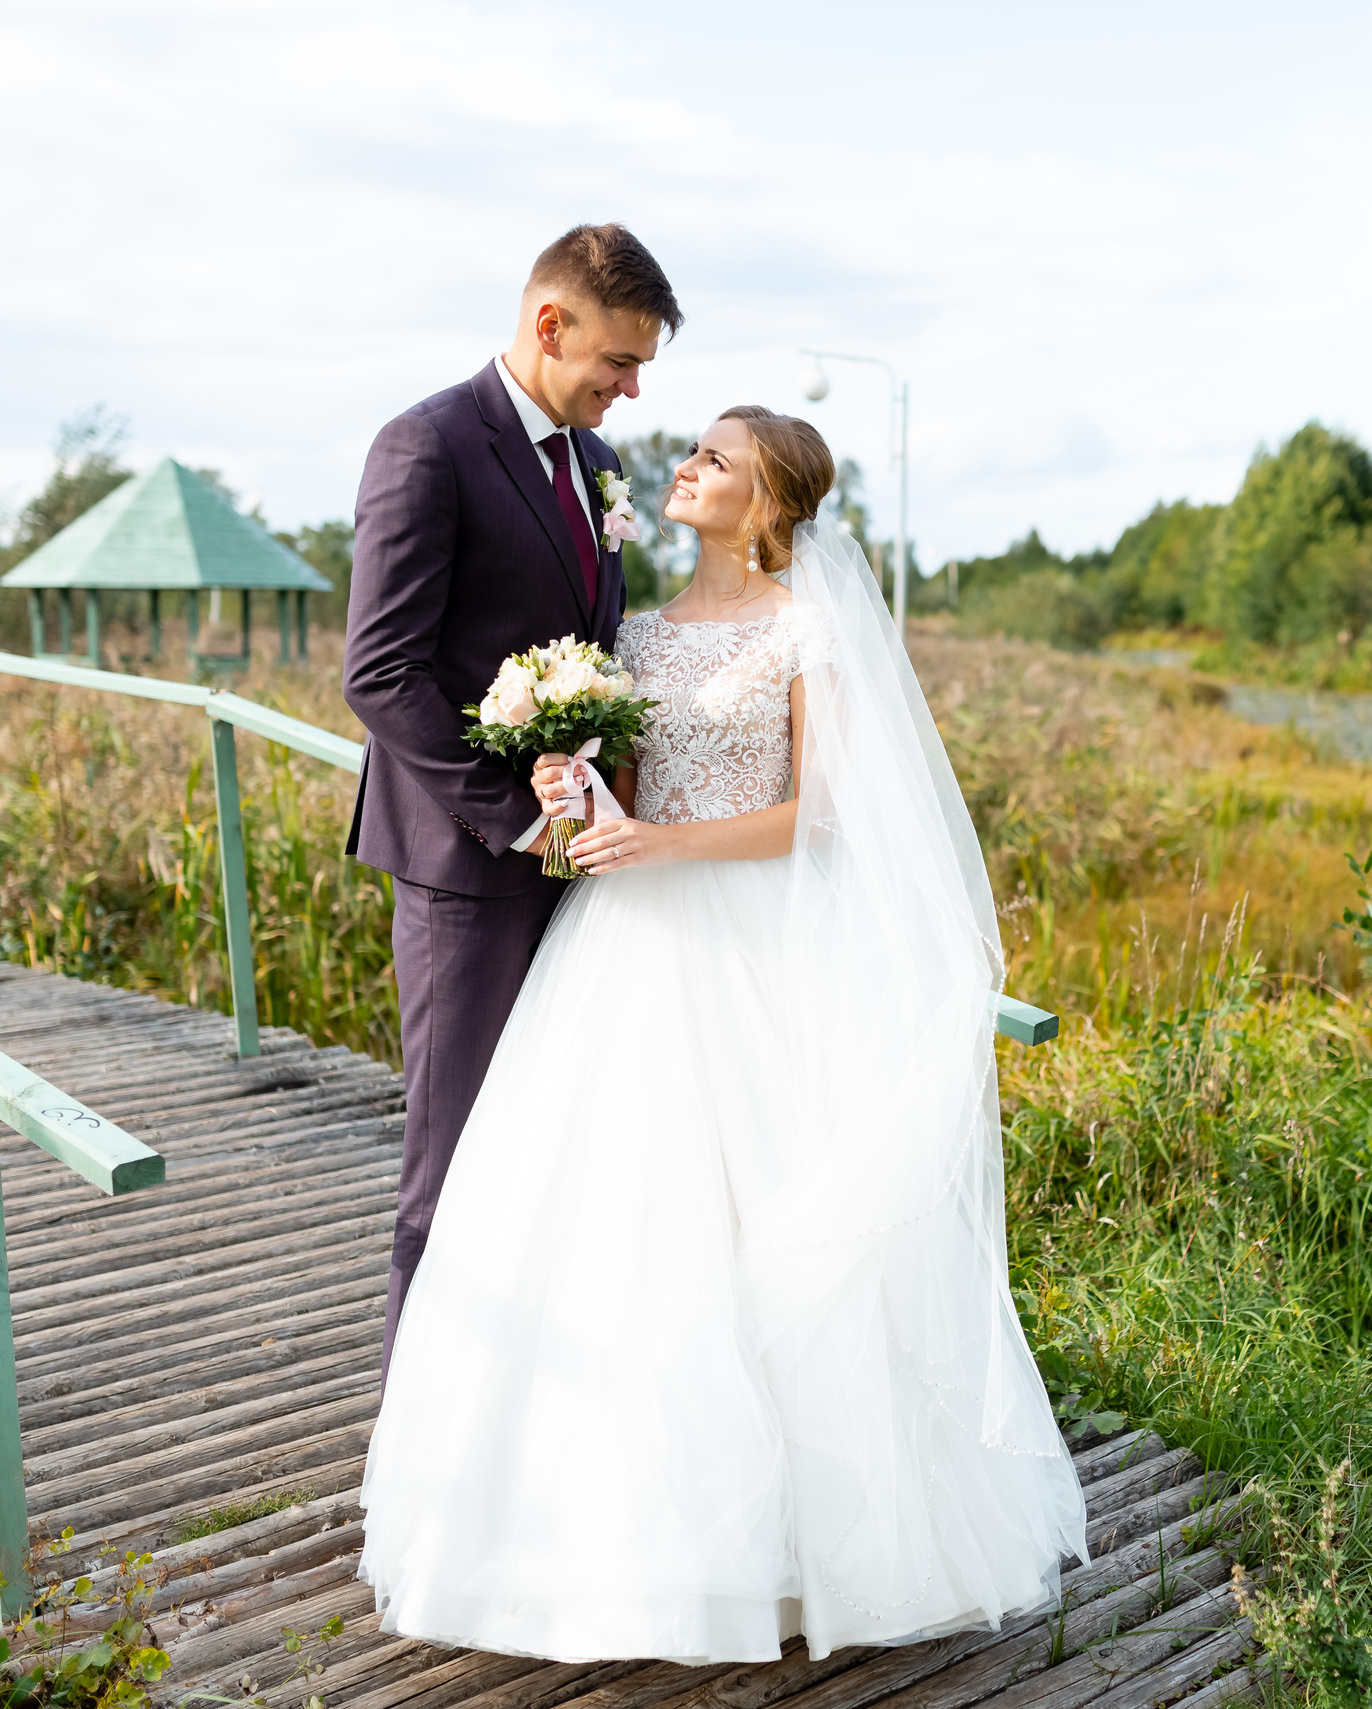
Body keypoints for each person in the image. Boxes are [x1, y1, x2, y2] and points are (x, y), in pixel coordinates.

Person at [357, 408, 1088, 1663]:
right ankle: (592, 1540)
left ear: (767, 504)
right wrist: (567, 787)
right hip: (628, 946)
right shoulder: (632, 631)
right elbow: (624, 798)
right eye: (689, 450)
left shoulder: (807, 630)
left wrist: (658, 843)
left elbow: (821, 813)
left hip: (750, 945)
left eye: (714, 460)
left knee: (763, 1232)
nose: (683, 466)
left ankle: (800, 1554)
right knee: (617, 1226)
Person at [342, 224, 679, 1376]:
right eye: (617, 361)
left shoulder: (590, 467)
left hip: (577, 861)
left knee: (548, 1153)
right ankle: (414, 1453)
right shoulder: (427, 445)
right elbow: (379, 671)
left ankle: (522, 1414)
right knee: (451, 1167)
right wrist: (519, 812)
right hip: (465, 867)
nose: (631, 388)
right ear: (550, 325)